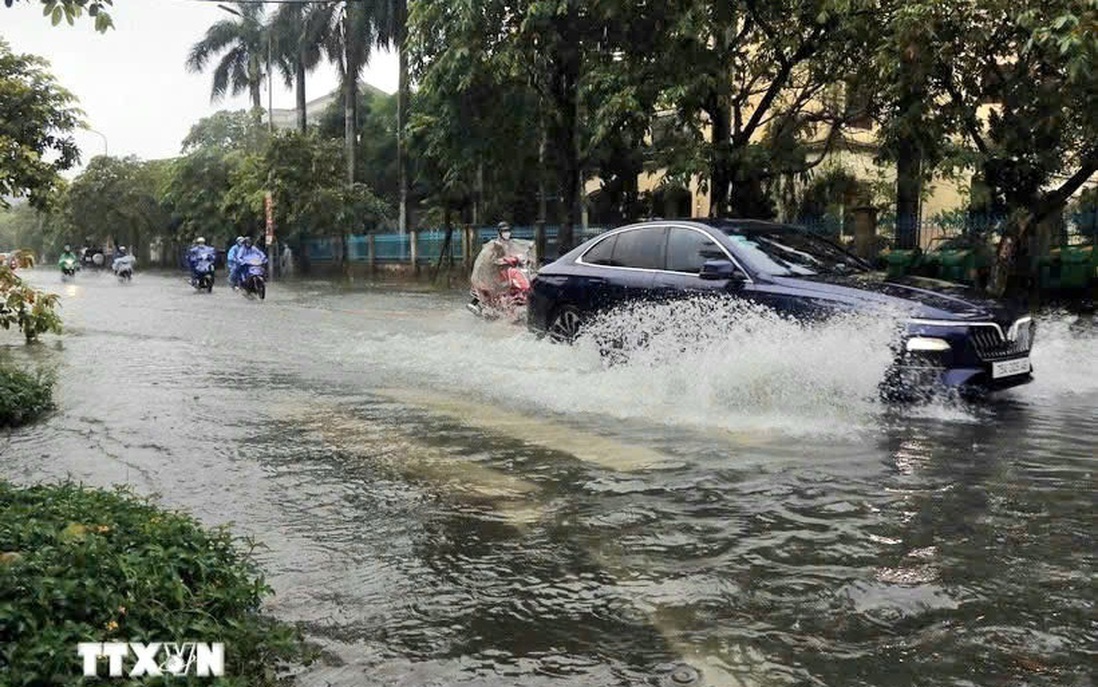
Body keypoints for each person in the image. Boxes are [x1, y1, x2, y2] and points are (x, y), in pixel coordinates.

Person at [470, 221, 523, 305]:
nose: (507, 233)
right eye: (504, 231)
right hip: (495, 272)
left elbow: (518, 252)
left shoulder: (511, 244)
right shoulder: (495, 244)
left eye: (508, 231)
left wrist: (522, 258)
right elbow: (492, 258)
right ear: (499, 232)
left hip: (507, 270)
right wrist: (509, 260)